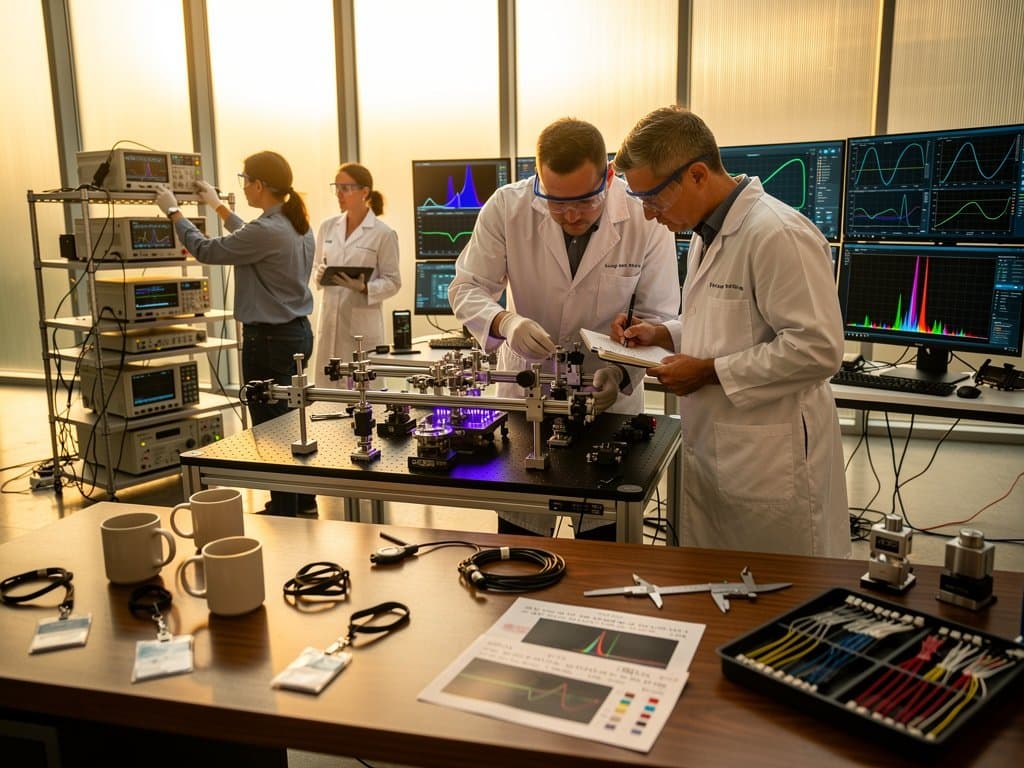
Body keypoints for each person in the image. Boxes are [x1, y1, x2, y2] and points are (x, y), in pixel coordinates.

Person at [611, 105, 850, 558]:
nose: (648, 217)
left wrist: (707, 372)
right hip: (725, 455)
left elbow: (817, 349)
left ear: (698, 175)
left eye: (654, 201)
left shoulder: (778, 235)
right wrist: (664, 333)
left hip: (772, 463)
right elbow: (733, 324)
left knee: (781, 603)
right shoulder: (706, 233)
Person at [448, 117, 678, 540]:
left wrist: (622, 372)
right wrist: (505, 321)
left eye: (585, 201)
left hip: (609, 400)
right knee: (520, 547)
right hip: (526, 396)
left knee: (605, 547)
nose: (570, 214)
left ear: (608, 176)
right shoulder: (507, 207)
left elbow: (660, 316)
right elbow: (466, 287)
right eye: (555, 201)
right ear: (539, 180)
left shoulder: (644, 216)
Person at [154, 150, 317, 518]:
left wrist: (173, 212)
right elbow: (250, 237)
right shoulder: (297, 224)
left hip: (269, 342)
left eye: (244, 179)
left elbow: (207, 250)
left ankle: (285, 510)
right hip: (296, 334)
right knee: (293, 421)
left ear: (259, 185)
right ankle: (303, 500)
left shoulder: (268, 230)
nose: (242, 186)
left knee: (271, 428)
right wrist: (217, 206)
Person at [312, 163, 401, 386]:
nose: (340, 194)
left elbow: (393, 281)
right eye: (337, 187)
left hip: (361, 328)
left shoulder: (383, 234)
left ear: (365, 191)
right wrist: (321, 273)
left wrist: (363, 287)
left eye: (347, 188)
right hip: (330, 320)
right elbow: (315, 266)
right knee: (328, 395)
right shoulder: (327, 227)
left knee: (363, 394)